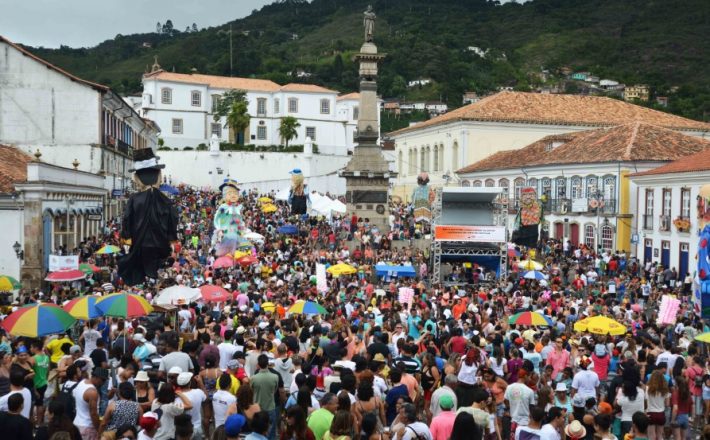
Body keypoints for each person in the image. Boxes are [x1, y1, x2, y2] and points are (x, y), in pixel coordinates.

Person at [504, 369, 535, 433]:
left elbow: (505, 401)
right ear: (525, 376)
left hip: (513, 422)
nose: (530, 379)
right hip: (525, 423)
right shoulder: (530, 391)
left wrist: (512, 407)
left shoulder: (509, 387)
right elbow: (532, 409)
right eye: (529, 377)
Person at [644, 370, 669, 440]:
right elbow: (667, 404)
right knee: (660, 436)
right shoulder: (665, 389)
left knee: (651, 436)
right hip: (661, 413)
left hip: (650, 413)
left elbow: (645, 400)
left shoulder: (648, 388)